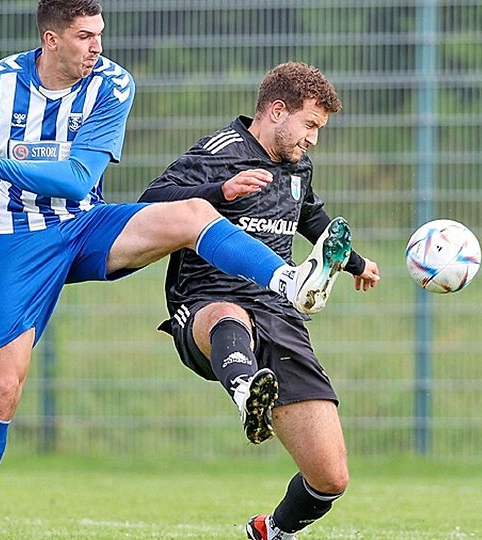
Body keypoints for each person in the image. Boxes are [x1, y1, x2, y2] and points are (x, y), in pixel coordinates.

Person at [0, 3, 352, 539]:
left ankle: (288, 280)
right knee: (2, 389)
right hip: (13, 241)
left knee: (194, 214)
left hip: (84, 225)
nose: (97, 47)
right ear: (51, 39)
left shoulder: (112, 83)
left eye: (99, 35)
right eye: (85, 37)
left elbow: (77, 179)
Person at [139, 61, 382, 540]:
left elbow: (312, 219)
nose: (313, 138)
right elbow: (151, 201)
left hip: (279, 311)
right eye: (310, 125)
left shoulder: (298, 167)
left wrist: (355, 263)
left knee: (330, 477)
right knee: (230, 315)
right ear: (277, 111)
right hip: (207, 303)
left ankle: (272, 531)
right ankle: (247, 390)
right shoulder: (222, 151)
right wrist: (218, 191)